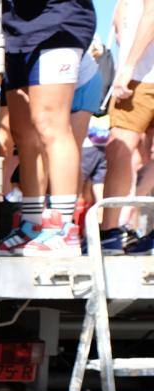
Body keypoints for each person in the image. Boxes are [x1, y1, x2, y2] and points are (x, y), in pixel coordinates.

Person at [0, 0, 96, 256]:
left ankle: (63, 228)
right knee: (23, 134)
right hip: (13, 33)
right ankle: (32, 224)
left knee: (50, 125)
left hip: (58, 23)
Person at [100, 0, 154, 254]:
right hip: (139, 76)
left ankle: (109, 231)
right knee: (121, 151)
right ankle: (111, 232)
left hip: (139, 78)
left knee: (119, 148)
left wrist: (129, 66)